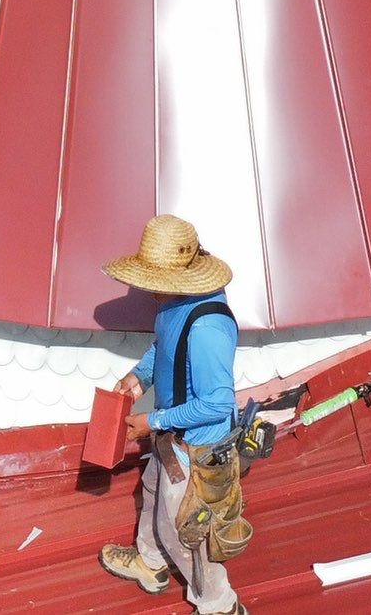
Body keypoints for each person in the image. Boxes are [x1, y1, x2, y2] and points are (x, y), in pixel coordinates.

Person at [97, 215, 250, 615]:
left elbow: (219, 403)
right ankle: (151, 563)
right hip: (170, 434)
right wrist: (140, 377)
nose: (147, 288)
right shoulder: (171, 303)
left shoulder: (209, 328)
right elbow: (165, 348)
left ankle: (221, 605)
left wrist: (152, 422)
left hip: (196, 447)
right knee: (150, 490)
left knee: (184, 530)